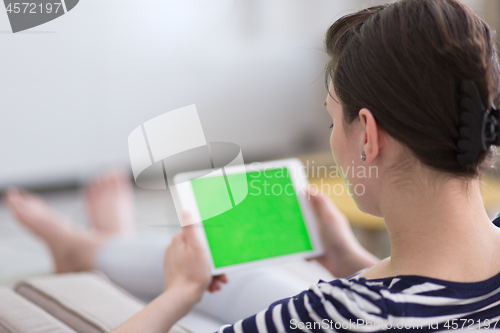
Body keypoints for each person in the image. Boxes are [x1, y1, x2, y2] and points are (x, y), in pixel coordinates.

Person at [6, 0, 500, 331]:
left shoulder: (332, 314)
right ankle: (94, 248)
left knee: (205, 280)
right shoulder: (354, 301)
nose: (333, 138)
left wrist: (180, 292)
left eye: (333, 120)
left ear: (367, 136)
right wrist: (350, 259)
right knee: (248, 279)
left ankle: (94, 250)